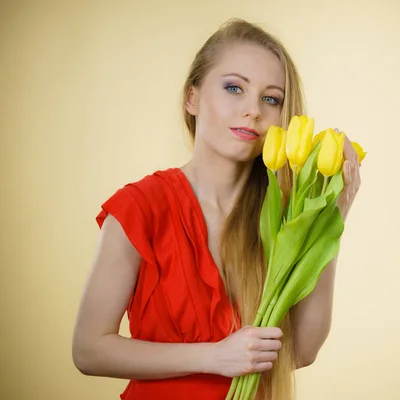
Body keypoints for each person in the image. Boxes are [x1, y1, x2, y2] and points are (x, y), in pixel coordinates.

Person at [71, 18, 361, 400]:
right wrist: (214, 357)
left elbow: (302, 351)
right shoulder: (141, 206)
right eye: (234, 88)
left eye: (270, 98)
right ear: (192, 97)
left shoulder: (287, 216)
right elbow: (89, 350)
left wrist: (329, 219)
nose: (253, 111)